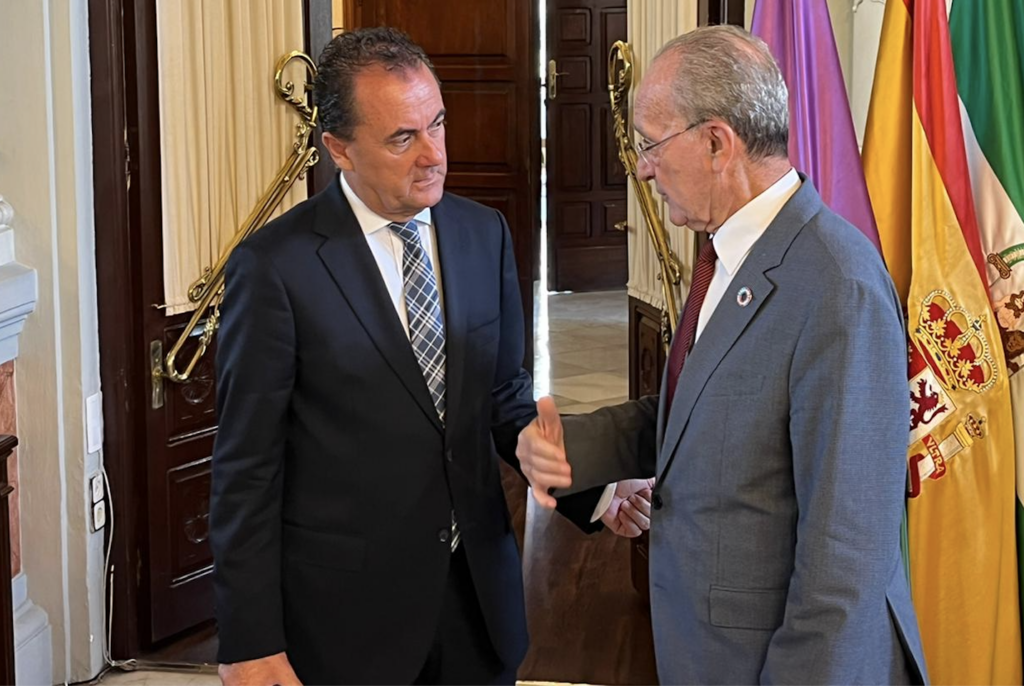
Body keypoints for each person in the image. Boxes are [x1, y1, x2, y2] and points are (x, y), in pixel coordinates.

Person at [210, 27, 645, 686]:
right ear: (340, 149)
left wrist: (594, 486)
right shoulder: (274, 268)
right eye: (402, 138)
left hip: (477, 603)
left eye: (437, 124)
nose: (435, 155)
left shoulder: (483, 233)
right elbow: (246, 469)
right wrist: (249, 641)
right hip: (346, 621)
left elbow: (503, 401)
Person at [516, 25, 929, 685]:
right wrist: (573, 447)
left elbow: (845, 564)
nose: (643, 167)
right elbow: (710, 405)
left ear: (715, 142)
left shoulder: (835, 284)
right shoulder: (729, 255)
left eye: (652, 144)